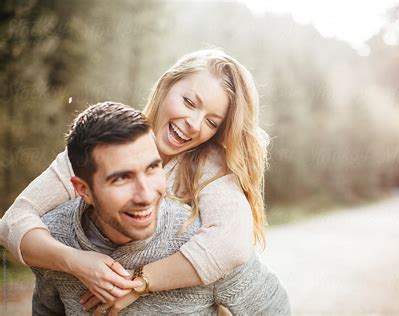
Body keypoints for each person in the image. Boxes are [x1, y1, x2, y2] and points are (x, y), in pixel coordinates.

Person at [0, 49, 273, 308]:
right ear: (166, 85)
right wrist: (77, 262)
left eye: (212, 122)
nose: (194, 124)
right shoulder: (102, 141)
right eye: (189, 102)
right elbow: (13, 221)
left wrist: (138, 282)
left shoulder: (207, 165)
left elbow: (232, 244)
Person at [32, 102, 289, 315]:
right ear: (84, 190)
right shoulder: (54, 239)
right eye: (121, 178)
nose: (146, 195)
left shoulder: (201, 242)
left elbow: (273, 309)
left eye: (153, 168)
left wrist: (142, 281)